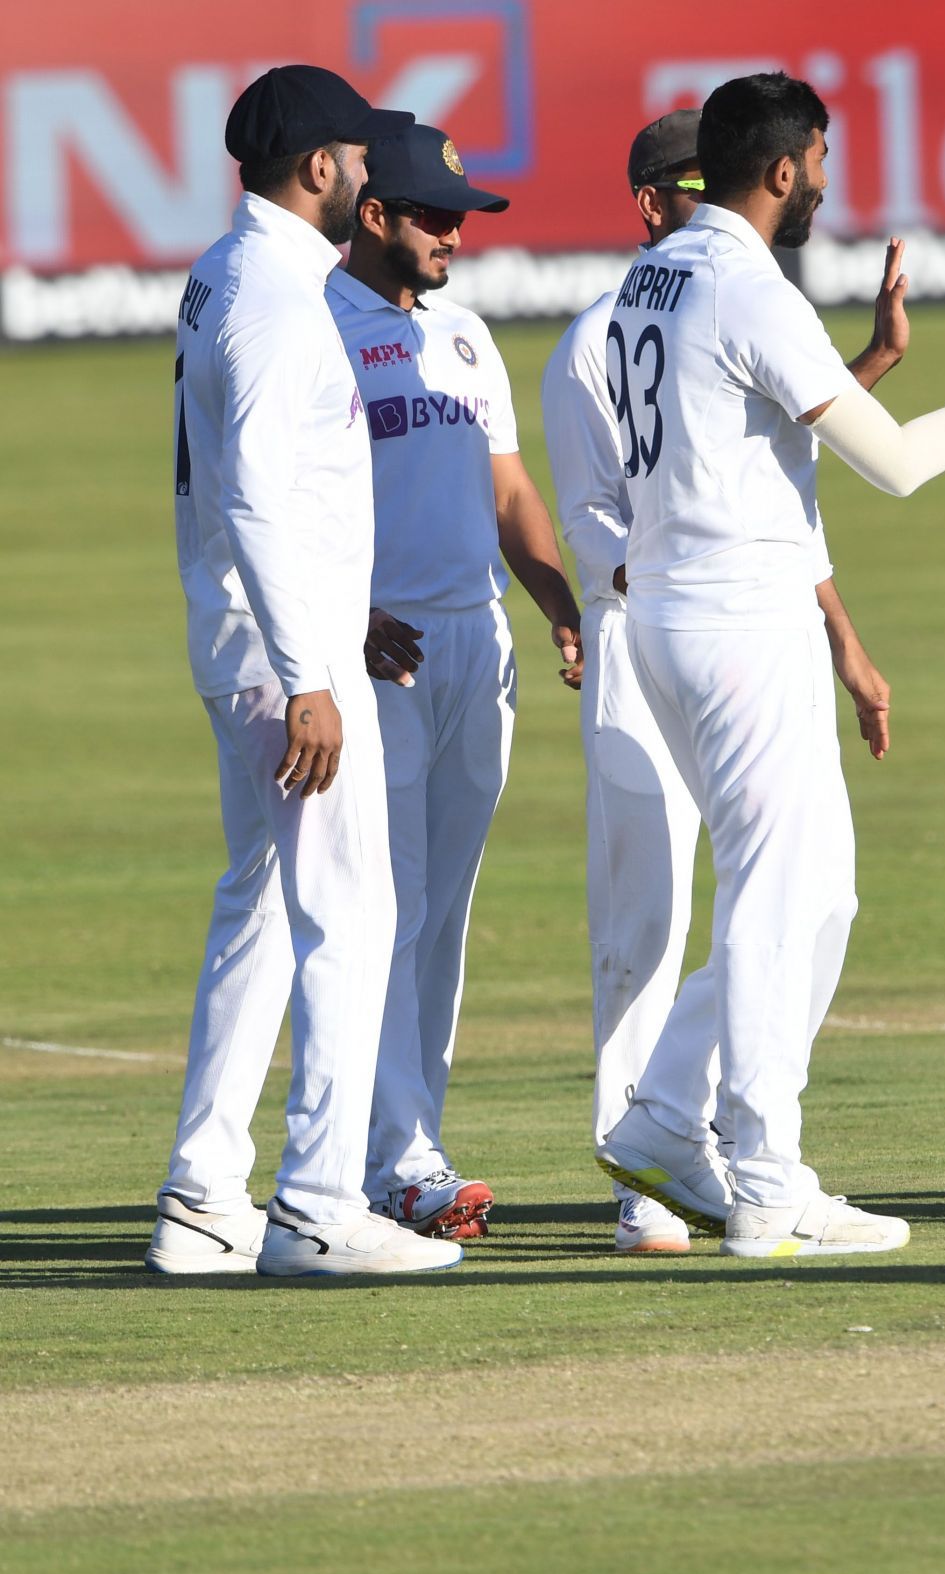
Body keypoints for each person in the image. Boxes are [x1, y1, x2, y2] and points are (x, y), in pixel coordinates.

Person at [596, 71, 945, 1257]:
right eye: (817, 162)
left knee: (818, 890)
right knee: (779, 894)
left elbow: (757, 447)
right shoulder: (744, 283)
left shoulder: (650, 275)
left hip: (680, 609)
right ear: (780, 170)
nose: (823, 182)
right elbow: (899, 465)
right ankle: (767, 1180)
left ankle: (669, 1116)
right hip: (736, 622)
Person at [543, 110, 903, 1253]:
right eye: (687, 181)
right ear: (651, 198)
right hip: (657, 634)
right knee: (656, 916)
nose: (710, 195)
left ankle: (693, 1131)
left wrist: (835, 625)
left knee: (813, 894)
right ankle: (673, 1175)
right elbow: (609, 517)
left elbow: (761, 470)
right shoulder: (599, 335)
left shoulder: (699, 301)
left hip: (729, 618)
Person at [147, 66, 460, 1277]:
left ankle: (202, 1196)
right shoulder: (278, 298)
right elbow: (258, 498)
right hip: (288, 661)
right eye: (359, 156)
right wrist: (312, 670)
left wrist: (345, 613)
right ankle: (321, 1204)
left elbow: (258, 494)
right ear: (319, 168)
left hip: (261, 640)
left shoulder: (230, 270)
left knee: (266, 915)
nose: (373, 175)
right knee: (352, 912)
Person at [324, 124, 585, 1240]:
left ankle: (405, 1142)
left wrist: (561, 604)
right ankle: (401, 1159)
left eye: (462, 216)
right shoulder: (316, 328)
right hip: (378, 650)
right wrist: (338, 619)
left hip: (477, 644)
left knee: (443, 916)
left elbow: (510, 488)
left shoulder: (468, 337)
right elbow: (274, 500)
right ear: (373, 214)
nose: (454, 235)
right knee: (388, 903)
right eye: (434, 214)